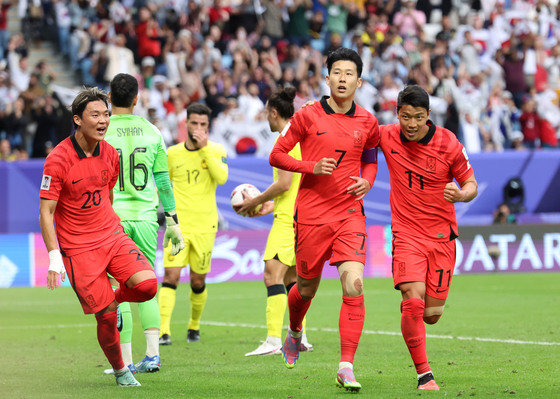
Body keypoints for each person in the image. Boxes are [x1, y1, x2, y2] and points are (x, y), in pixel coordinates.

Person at [269, 47, 380, 392]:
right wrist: (310, 167)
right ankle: (295, 331)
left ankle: (346, 365)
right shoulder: (307, 116)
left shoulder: (368, 122)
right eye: (337, 72)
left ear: (359, 81)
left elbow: (372, 159)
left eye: (349, 74)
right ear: (327, 77)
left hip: (349, 214)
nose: (343, 79)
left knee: (354, 285)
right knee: (305, 288)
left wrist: (368, 181)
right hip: (313, 215)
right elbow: (277, 154)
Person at [39, 87, 159, 387]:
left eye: (106, 114)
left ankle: (115, 301)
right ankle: (121, 370)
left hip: (111, 235)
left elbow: (107, 191)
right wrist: (54, 257)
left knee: (147, 285)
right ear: (78, 120)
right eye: (96, 115)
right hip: (79, 249)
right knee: (104, 318)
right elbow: (46, 212)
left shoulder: (109, 152)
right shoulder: (57, 159)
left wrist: (109, 224)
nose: (104, 120)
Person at [379, 85, 478, 391]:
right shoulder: (386, 135)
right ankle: (425, 374)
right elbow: (350, 129)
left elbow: (471, 183)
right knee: (412, 300)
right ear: (397, 113)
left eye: (418, 118)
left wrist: (460, 195)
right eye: (406, 116)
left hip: (441, 238)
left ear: (428, 116)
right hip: (407, 234)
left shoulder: (448, 143)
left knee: (431, 315)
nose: (411, 124)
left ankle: (416, 319)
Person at [103, 73, 185, 375]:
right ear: (137, 99)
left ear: (110, 98)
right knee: (147, 283)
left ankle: (123, 361)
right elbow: (163, 180)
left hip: (114, 220)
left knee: (118, 286)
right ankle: (152, 355)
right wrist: (173, 221)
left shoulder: (102, 130)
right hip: (148, 218)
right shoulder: (153, 131)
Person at [233, 86, 313, 357]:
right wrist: (268, 205)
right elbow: (290, 187)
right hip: (298, 217)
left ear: (274, 113)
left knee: (272, 275)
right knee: (292, 280)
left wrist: (255, 201)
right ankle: (298, 337)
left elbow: (284, 182)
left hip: (287, 222)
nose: (265, 117)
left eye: (267, 113)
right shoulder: (300, 137)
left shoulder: (286, 140)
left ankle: (273, 340)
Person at [158, 103, 228, 345]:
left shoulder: (216, 150)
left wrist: (205, 149)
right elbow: (162, 186)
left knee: (198, 281)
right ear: (185, 124)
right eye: (194, 123)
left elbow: (222, 178)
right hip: (178, 226)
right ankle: (163, 331)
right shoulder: (172, 153)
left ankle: (194, 326)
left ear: (208, 127)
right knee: (171, 275)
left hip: (205, 226)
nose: (198, 128)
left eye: (203, 125)